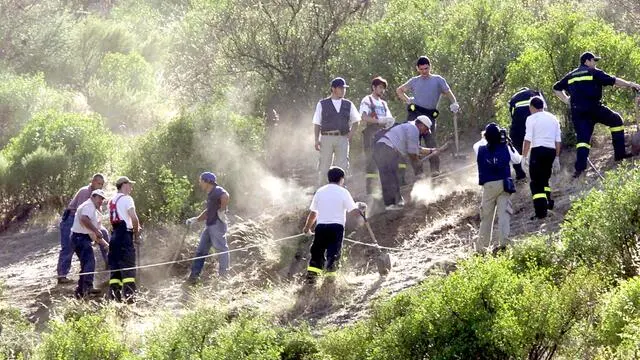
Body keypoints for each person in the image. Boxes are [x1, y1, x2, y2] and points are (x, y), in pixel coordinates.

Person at [553, 51, 640, 178]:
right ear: (586, 61)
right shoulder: (593, 72)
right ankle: (620, 154)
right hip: (594, 108)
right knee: (616, 121)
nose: (595, 63)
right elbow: (614, 81)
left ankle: (580, 170)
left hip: (578, 112)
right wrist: (630, 84)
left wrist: (567, 100)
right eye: (593, 61)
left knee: (583, 140)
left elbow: (556, 88)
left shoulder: (571, 75)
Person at [396, 56, 459, 176]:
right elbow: (399, 90)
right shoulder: (414, 80)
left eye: (426, 68)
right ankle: (419, 173)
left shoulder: (438, 80)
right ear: (417, 69)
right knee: (414, 143)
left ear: (430, 66)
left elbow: (448, 92)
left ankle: (435, 170)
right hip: (416, 114)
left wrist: (454, 103)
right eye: (421, 69)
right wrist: (408, 100)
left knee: (431, 141)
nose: (424, 71)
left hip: (430, 114)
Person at [302, 166, 366, 284]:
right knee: (333, 253)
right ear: (341, 179)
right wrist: (361, 208)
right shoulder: (343, 192)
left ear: (328, 178)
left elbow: (313, 213)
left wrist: (307, 228)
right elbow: (353, 211)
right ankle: (330, 280)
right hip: (336, 228)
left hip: (321, 227)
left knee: (317, 252)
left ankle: (312, 278)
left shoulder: (320, 191)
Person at [373, 116, 441, 211]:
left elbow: (417, 148)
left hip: (382, 148)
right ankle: (392, 204)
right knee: (390, 176)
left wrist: (431, 151)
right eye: (426, 130)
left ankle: (394, 203)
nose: (425, 133)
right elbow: (412, 153)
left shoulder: (409, 127)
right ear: (421, 125)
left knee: (390, 176)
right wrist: (417, 161)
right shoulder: (413, 129)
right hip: (386, 148)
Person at [474, 123, 522, 254]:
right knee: (504, 215)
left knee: (486, 218)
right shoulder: (505, 147)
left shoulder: (480, 148)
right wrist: (507, 142)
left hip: (488, 186)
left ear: (486, 136)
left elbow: (478, 146)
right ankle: (504, 244)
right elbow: (518, 160)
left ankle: (482, 249)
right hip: (504, 184)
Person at [57, 173, 109, 284]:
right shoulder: (85, 192)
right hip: (71, 219)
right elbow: (82, 215)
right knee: (68, 247)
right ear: (93, 181)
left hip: (83, 219)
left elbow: (94, 213)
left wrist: (97, 230)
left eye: (102, 184)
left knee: (104, 232)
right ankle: (62, 275)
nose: (100, 186)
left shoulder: (97, 195)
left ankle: (110, 263)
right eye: (98, 183)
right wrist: (93, 232)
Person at [312, 77, 361, 185]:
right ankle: (322, 189)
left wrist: (350, 135)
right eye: (341, 88)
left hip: (342, 137)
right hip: (326, 137)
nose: (343, 90)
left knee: (342, 166)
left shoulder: (348, 104)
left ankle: (341, 189)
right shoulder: (322, 104)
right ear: (333, 89)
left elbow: (356, 121)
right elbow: (317, 123)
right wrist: (316, 139)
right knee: (324, 165)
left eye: (344, 88)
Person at [185, 172, 230, 284]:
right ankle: (194, 277)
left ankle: (224, 277)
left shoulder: (217, 190)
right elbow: (208, 212)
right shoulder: (211, 194)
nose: (200, 183)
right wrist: (196, 219)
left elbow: (226, 196)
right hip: (209, 226)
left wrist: (222, 211)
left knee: (222, 249)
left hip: (217, 225)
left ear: (207, 181)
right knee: (201, 251)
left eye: (201, 181)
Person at [521, 97, 562, 219]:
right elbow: (558, 140)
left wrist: (524, 156)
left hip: (538, 150)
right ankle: (548, 202)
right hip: (551, 151)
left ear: (532, 107)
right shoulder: (553, 118)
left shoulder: (531, 118)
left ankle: (540, 213)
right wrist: (557, 157)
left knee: (535, 182)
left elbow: (528, 139)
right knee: (544, 179)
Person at [359, 76, 395, 196]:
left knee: (386, 159)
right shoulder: (367, 100)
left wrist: (389, 121)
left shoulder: (384, 104)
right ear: (373, 87)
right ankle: (370, 190)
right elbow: (363, 117)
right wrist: (378, 121)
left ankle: (386, 187)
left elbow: (389, 118)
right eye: (380, 87)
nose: (382, 90)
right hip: (371, 132)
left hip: (384, 132)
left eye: (383, 88)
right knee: (371, 161)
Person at [107, 176, 141, 302]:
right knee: (128, 269)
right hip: (125, 237)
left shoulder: (112, 200)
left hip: (114, 236)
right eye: (130, 185)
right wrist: (136, 234)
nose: (131, 187)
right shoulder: (127, 198)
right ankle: (130, 299)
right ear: (124, 185)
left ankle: (114, 300)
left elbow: (120, 218)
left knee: (115, 271)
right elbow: (134, 218)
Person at [70, 189, 109, 298]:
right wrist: (96, 231)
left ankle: (80, 291)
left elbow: (92, 233)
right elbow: (84, 219)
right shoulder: (89, 206)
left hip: (79, 237)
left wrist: (106, 245)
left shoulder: (91, 208)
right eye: (99, 198)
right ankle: (87, 287)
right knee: (90, 261)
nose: (101, 201)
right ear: (93, 196)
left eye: (102, 199)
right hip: (80, 237)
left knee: (85, 264)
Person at [508, 87, 546, 180]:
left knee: (516, 150)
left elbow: (512, 115)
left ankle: (520, 175)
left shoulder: (513, 98)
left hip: (517, 127)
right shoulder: (535, 93)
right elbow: (544, 109)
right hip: (535, 124)